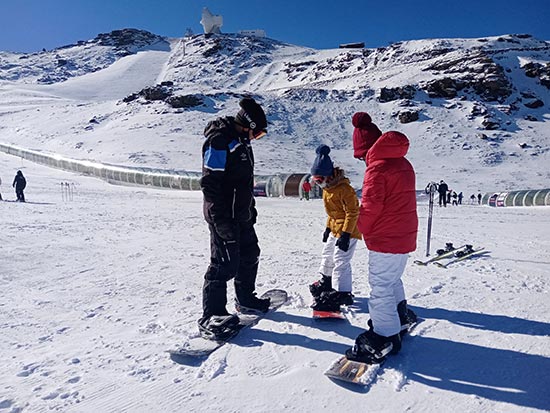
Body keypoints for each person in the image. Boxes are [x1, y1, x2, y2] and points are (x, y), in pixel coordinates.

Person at [198, 97, 269, 339]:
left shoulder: (242, 143)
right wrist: (220, 219)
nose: (255, 138)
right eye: (256, 133)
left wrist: (250, 207)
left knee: (250, 254)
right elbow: (211, 184)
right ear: (246, 125)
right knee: (224, 263)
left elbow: (243, 183)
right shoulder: (219, 142)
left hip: (242, 213)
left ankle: (246, 298)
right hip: (223, 215)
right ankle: (212, 315)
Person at [346, 130, 418, 363]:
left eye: (361, 157)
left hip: (386, 237)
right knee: (393, 279)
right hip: (403, 235)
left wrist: (356, 229)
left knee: (380, 287)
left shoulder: (377, 168)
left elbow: (370, 206)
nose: (362, 161)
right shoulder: (403, 163)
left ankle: (385, 335)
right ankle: (399, 317)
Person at [308, 145, 361, 312]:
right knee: (327, 254)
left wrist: (346, 234)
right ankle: (327, 280)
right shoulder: (328, 189)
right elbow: (332, 214)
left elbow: (353, 212)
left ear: (328, 176)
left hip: (349, 229)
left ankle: (342, 292)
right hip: (335, 228)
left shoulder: (345, 189)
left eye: (318, 180)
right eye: (314, 180)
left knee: (341, 259)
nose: (317, 184)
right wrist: (327, 228)